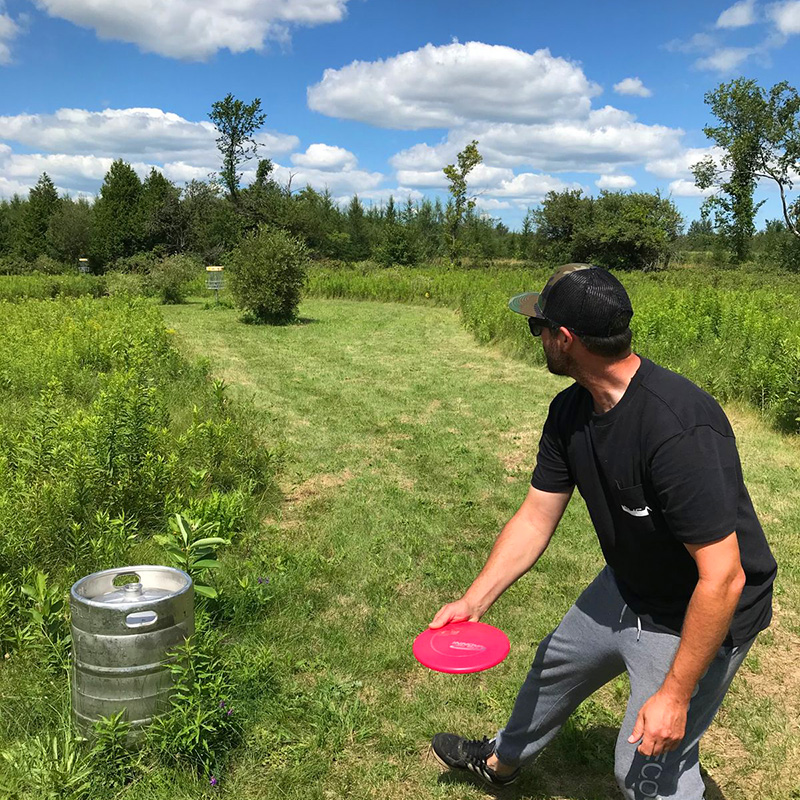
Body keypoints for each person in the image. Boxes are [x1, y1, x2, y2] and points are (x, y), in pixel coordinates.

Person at [429, 263, 777, 799]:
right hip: (625, 584)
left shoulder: (677, 428)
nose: (537, 338)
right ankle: (500, 761)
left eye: (537, 328)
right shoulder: (571, 410)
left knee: (645, 773)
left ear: (564, 339)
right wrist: (474, 601)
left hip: (696, 610)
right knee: (552, 665)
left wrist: (676, 696)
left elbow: (724, 578)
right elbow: (534, 517)